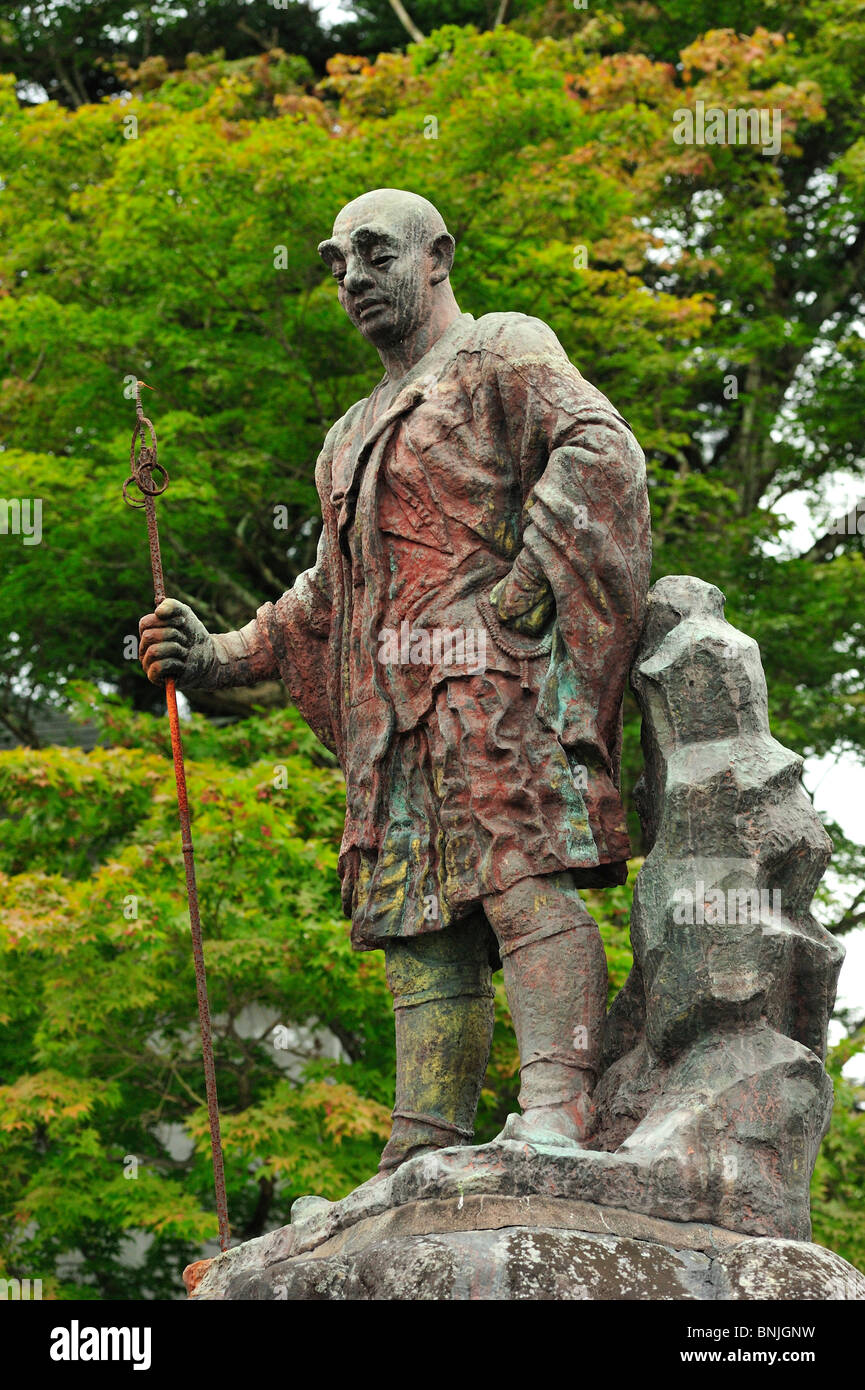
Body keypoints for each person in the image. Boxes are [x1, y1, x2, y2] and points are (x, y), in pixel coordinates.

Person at [139, 188, 652, 1175]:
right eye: (336, 263)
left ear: (438, 255)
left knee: (517, 882)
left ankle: (560, 1107)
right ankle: (421, 1141)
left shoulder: (501, 348)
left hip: (486, 683)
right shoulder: (348, 433)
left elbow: (600, 452)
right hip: (392, 716)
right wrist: (217, 657)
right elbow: (324, 599)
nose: (353, 279)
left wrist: (523, 592)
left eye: (375, 254)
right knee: (415, 923)